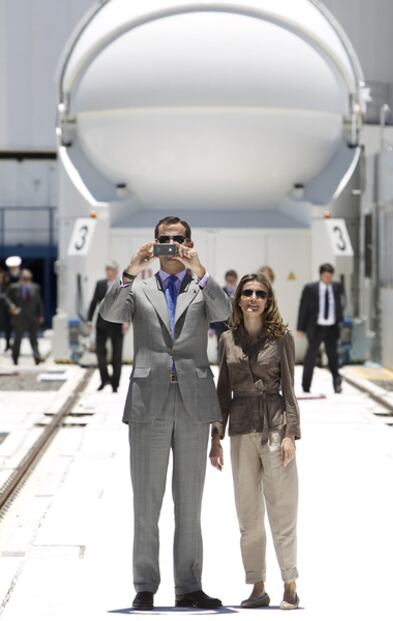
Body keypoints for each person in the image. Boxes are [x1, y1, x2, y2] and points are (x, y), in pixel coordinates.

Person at [99, 215, 231, 611]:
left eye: (178, 239)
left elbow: (225, 312)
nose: (171, 245)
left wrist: (201, 271)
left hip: (192, 403)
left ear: (189, 242)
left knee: (189, 502)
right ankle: (145, 586)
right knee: (147, 502)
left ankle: (189, 586)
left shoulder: (200, 286)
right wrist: (129, 269)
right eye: (164, 239)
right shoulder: (138, 288)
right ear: (154, 243)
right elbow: (109, 315)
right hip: (147, 403)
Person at [209, 272, 301, 610]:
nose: (253, 298)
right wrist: (215, 435)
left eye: (259, 293)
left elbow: (290, 389)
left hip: (275, 426)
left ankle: (289, 584)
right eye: (247, 292)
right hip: (241, 429)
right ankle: (257, 586)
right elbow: (222, 391)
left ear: (268, 300)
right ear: (238, 299)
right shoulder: (227, 339)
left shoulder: (281, 338)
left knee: (282, 508)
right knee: (248, 513)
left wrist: (291, 434)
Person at [297, 262, 344, 393]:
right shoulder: (310, 289)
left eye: (330, 276)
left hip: (331, 328)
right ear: (321, 275)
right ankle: (305, 385)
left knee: (333, 358)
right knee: (310, 358)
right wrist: (301, 327)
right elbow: (303, 308)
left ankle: (337, 384)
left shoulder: (337, 287)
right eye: (326, 276)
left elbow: (341, 304)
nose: (329, 279)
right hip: (316, 328)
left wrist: (340, 320)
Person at [87, 261, 128, 393]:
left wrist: (126, 321)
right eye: (107, 269)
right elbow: (94, 302)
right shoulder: (100, 284)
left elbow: (126, 303)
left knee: (117, 355)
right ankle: (104, 379)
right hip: (102, 324)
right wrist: (89, 320)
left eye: (111, 269)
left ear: (116, 271)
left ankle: (115, 383)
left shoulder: (122, 284)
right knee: (100, 353)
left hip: (117, 324)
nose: (109, 271)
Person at [5, 269, 44, 365]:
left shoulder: (35, 287)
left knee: (34, 339)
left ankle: (37, 357)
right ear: (21, 278)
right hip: (19, 318)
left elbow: (39, 303)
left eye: (28, 278)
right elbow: (5, 297)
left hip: (32, 317)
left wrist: (40, 315)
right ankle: (15, 358)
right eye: (25, 278)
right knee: (17, 340)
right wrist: (11, 306)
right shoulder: (13, 287)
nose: (27, 280)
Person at [210, 269, 238, 345]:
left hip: (234, 326)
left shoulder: (239, 293)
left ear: (236, 281)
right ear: (226, 280)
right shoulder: (220, 292)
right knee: (220, 348)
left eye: (233, 281)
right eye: (229, 281)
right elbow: (214, 308)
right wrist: (211, 327)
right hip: (220, 325)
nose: (231, 283)